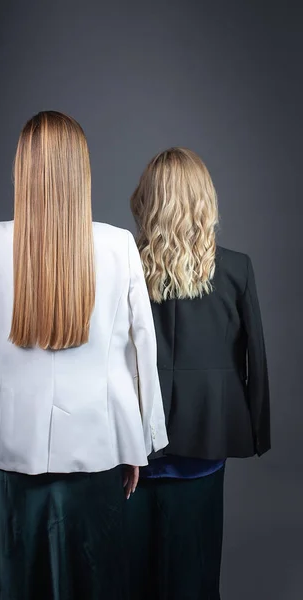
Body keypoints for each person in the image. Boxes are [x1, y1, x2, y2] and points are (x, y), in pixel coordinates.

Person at [0, 111, 168, 600]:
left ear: (22, 167)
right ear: (80, 170)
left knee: (19, 584)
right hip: (100, 444)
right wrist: (140, 438)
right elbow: (143, 346)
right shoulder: (119, 246)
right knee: (97, 584)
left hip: (8, 445)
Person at [127, 147, 271, 600]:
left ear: (146, 200)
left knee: (130, 578)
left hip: (131, 445)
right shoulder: (234, 268)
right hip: (206, 442)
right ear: (204, 198)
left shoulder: (121, 264)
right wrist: (255, 429)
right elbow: (256, 357)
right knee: (196, 577)